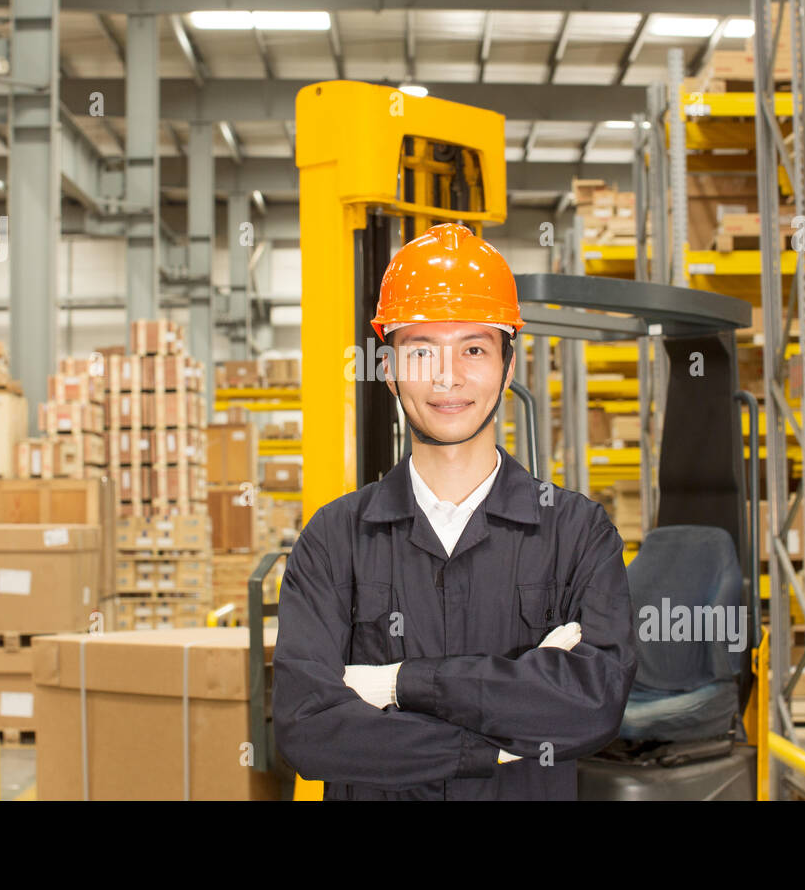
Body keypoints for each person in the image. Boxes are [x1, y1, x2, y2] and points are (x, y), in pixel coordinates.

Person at [272, 222, 637, 799]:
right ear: (388, 369)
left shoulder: (576, 533)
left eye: (473, 349)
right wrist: (493, 741)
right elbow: (305, 729)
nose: (448, 377)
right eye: (421, 350)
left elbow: (593, 705)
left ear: (507, 367)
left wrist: (394, 684)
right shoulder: (333, 538)